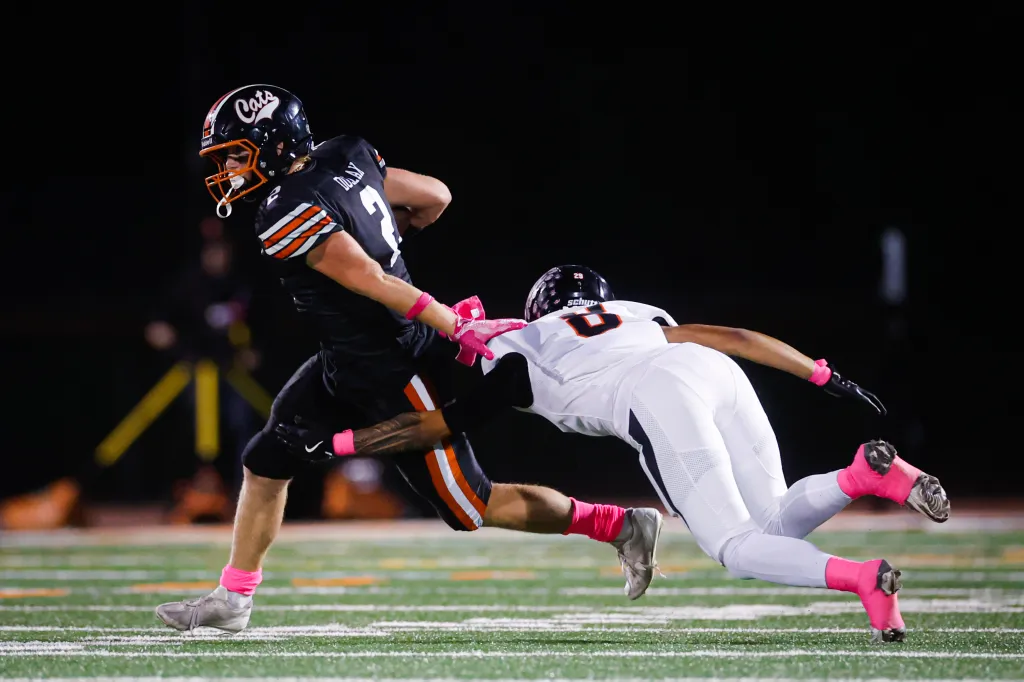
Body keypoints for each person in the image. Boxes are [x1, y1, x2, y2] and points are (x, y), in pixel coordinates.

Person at [156, 88, 662, 635]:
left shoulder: (284, 208)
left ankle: (622, 525)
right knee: (265, 461)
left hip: (397, 368)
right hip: (344, 362)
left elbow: (372, 279)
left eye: (237, 154)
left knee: (471, 506)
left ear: (275, 146)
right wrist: (381, 237)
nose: (229, 169)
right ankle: (234, 597)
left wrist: (454, 324)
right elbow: (436, 196)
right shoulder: (345, 154)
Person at [277, 264, 950, 643]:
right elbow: (737, 337)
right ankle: (864, 475)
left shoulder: (519, 349)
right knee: (774, 519)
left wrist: (340, 442)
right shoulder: (636, 313)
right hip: (712, 369)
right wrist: (824, 375)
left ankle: (862, 578)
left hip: (657, 394)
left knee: (738, 549)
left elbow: (436, 428)